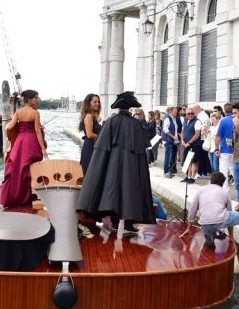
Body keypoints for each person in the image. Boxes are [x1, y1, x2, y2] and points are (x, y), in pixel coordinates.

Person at [76, 91, 155, 234]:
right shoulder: (135, 123)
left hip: (114, 162)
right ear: (130, 107)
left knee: (113, 189)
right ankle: (129, 223)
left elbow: (102, 145)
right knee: (130, 189)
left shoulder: (111, 121)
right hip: (131, 164)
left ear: (119, 107)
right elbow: (142, 147)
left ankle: (114, 221)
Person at [0, 89, 46, 208]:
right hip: (31, 141)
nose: (37, 99)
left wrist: (14, 123)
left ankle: (14, 197)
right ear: (29, 99)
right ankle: (28, 197)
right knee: (29, 169)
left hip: (20, 142)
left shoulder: (18, 112)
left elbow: (9, 127)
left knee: (17, 169)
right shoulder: (35, 113)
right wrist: (43, 149)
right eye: (35, 97)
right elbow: (37, 131)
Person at [78, 93, 101, 175]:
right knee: (90, 175)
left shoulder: (93, 117)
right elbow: (89, 134)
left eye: (98, 102)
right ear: (89, 103)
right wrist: (102, 136)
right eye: (94, 102)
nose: (97, 104)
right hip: (89, 148)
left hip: (92, 147)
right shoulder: (89, 116)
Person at [180, 106, 203, 183]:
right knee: (187, 161)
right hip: (186, 144)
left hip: (194, 145)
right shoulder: (185, 121)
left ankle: (192, 178)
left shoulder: (197, 121)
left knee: (193, 161)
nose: (190, 115)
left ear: (194, 113)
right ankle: (188, 176)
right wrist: (182, 140)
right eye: (188, 113)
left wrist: (189, 142)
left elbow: (197, 134)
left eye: (192, 113)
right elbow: (182, 132)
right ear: (186, 114)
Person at [162, 106, 181, 178]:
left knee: (171, 157)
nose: (176, 113)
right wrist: (173, 136)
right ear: (170, 111)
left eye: (176, 112)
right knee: (168, 156)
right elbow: (165, 130)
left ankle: (169, 171)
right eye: (175, 112)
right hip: (168, 140)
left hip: (172, 141)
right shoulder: (167, 118)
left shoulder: (174, 118)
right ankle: (166, 172)